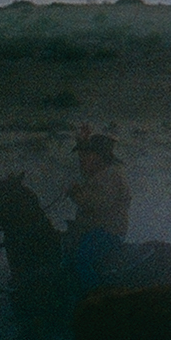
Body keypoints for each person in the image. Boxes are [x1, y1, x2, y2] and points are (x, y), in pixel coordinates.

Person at [66, 125, 130, 294]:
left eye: (88, 154)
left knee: (82, 260)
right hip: (96, 229)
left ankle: (94, 297)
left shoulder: (111, 176)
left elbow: (96, 205)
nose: (85, 158)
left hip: (108, 231)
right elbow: (85, 169)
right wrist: (82, 141)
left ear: (98, 157)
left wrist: (75, 194)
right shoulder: (101, 173)